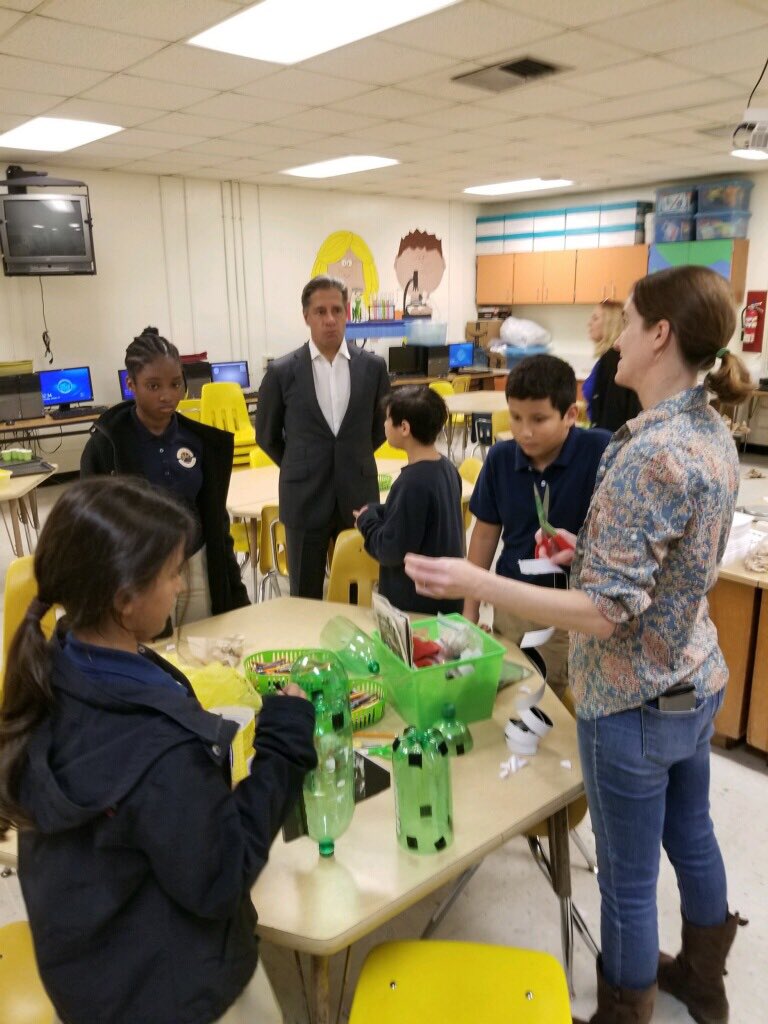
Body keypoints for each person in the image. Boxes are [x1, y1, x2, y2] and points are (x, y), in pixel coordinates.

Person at [404, 265, 754, 1024]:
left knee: (626, 878)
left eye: (626, 321)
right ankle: (704, 976)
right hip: (693, 676)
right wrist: (585, 551)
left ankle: (623, 1010)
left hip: (631, 698)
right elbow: (666, 563)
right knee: (691, 832)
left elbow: (602, 615)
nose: (614, 336)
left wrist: (482, 584)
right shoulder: (708, 433)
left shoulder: (647, 452)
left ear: (660, 335)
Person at [0, 477, 316, 1024]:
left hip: (94, 973)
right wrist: (284, 743)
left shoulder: (53, 668)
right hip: (180, 996)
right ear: (124, 600)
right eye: (171, 573)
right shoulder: (158, 754)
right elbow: (221, 876)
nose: (178, 586)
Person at [464, 354, 611, 701]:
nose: (524, 431)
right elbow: (484, 534)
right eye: (515, 417)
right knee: (510, 697)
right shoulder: (501, 458)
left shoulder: (601, 451)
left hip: (569, 611)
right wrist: (470, 608)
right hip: (511, 603)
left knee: (556, 702)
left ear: (570, 415)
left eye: (539, 419)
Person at [81, 326, 249, 622]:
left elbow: (216, 520)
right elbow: (90, 530)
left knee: (203, 649)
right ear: (131, 385)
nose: (167, 395)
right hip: (139, 573)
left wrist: (235, 590)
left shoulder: (200, 442)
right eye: (154, 386)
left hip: (196, 563)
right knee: (156, 655)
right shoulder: (107, 447)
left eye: (175, 384)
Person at [257, 275, 390, 599]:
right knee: (305, 595)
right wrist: (300, 462)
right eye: (320, 311)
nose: (329, 319)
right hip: (304, 497)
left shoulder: (373, 368)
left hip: (357, 494)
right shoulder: (282, 372)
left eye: (336, 310)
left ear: (347, 313)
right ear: (306, 316)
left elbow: (379, 428)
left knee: (360, 592)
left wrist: (352, 456)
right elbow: (266, 435)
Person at [355, 385, 464, 614]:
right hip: (442, 598)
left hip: (415, 606)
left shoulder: (412, 483)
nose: (384, 425)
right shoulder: (446, 468)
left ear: (404, 428)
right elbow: (419, 517)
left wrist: (366, 522)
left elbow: (390, 550)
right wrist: (379, 511)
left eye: (387, 419)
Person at [582, 299, 642, 432]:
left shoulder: (613, 361)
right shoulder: (607, 359)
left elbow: (612, 414)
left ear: (610, 323)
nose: (589, 323)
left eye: (595, 318)